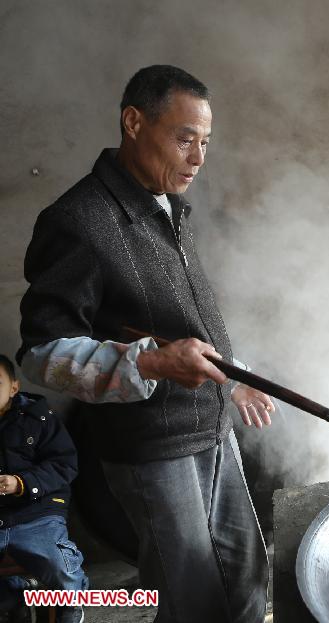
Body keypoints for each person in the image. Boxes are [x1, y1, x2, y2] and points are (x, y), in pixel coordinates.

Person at [16, 65, 273, 623]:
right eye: (184, 139)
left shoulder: (167, 207)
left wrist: (234, 376)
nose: (198, 158)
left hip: (210, 425)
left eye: (205, 142)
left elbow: (181, 323)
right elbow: (39, 355)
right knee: (192, 597)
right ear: (134, 122)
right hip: (152, 446)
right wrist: (154, 362)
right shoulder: (77, 221)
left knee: (248, 582)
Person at [0, 355, 87, 623]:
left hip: (36, 513)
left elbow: (64, 465)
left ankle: (70, 607)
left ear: (13, 388)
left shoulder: (38, 418)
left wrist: (20, 483)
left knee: (58, 564)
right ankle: (15, 597)